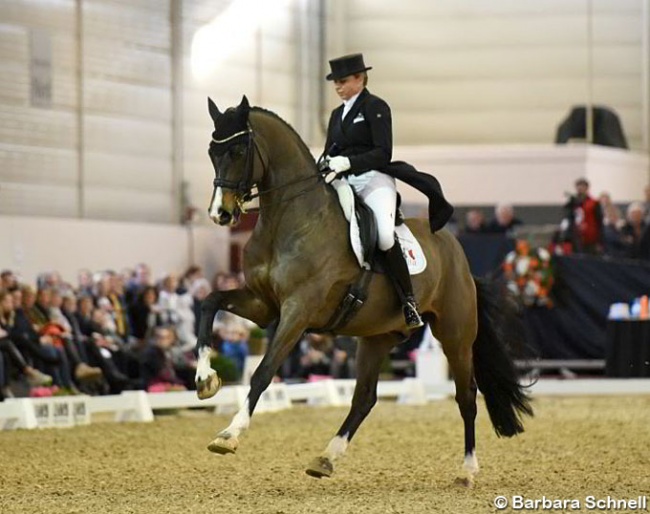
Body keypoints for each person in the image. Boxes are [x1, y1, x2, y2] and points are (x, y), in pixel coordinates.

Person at [323, 53, 453, 327]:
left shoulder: (376, 107)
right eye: (335, 82)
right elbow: (330, 150)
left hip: (373, 179)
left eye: (343, 81)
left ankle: (409, 301)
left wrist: (349, 161)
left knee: (383, 236)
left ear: (360, 78)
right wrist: (323, 163)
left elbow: (383, 152)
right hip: (343, 181)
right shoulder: (337, 114)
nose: (338, 87)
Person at [565, 177, 603, 254]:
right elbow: (569, 219)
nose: (580, 189)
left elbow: (599, 222)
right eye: (578, 187)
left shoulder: (594, 203)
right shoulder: (573, 203)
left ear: (587, 188)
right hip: (576, 237)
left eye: (582, 186)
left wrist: (600, 241)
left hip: (590, 238)